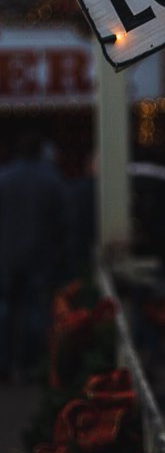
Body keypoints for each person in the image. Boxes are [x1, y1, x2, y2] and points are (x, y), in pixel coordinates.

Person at [0, 131, 67, 379]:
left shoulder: (4, 177)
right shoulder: (51, 179)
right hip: (40, 255)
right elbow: (63, 221)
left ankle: (4, 364)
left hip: (6, 255)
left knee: (5, 309)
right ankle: (31, 365)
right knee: (35, 311)